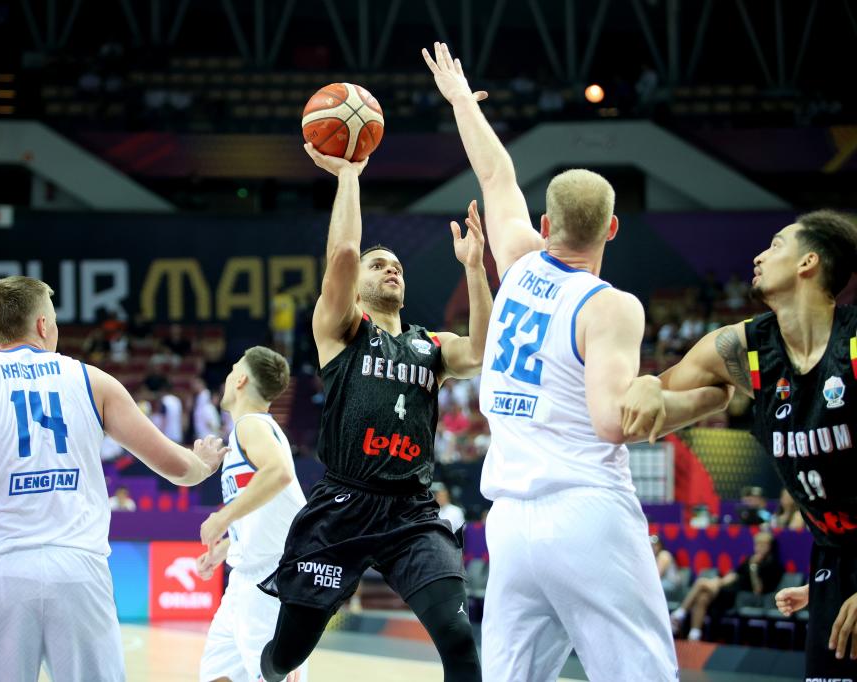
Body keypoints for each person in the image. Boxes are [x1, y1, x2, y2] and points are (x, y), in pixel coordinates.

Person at [422, 42, 732, 681]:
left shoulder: (515, 261)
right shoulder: (609, 305)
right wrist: (706, 399)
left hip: (510, 523)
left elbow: (496, 175)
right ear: (612, 229)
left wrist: (460, 102)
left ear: (545, 223)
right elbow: (613, 423)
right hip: (586, 511)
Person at [0, 275, 229, 682]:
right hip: (79, 568)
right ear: (43, 325)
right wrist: (203, 463)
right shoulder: (92, 379)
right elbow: (177, 467)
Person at [258, 141, 492, 682]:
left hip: (412, 511)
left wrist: (475, 268)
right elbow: (343, 254)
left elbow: (481, 350)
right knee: (288, 654)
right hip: (343, 506)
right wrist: (349, 175)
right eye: (378, 264)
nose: (390, 269)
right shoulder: (342, 330)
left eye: (397, 267)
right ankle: (264, 668)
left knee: (459, 639)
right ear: (358, 286)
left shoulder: (431, 345)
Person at [629, 209, 857, 673]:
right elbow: (661, 392)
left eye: (776, 245)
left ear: (808, 262)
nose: (758, 256)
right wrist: (648, 385)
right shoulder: (746, 348)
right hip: (832, 563)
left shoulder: (851, 344)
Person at [196, 347, 309, 682]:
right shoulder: (244, 434)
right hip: (244, 581)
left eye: (233, 369)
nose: (228, 376)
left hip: (272, 581)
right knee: (216, 676)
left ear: (241, 379)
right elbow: (266, 512)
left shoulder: (251, 425)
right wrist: (225, 547)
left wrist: (222, 518)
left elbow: (279, 473)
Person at [671, 531, 783, 641]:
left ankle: (680, 613)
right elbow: (734, 575)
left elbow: (757, 589)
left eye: (763, 545)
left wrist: (754, 568)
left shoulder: (773, 565)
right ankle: (694, 635)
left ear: (769, 546)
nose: (759, 548)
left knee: (701, 582)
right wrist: (719, 582)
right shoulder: (749, 560)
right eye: (757, 544)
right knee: (702, 598)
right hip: (728, 589)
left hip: (738, 596)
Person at [651, 535, 681, 600]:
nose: (653, 548)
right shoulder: (653, 557)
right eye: (651, 545)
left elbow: (657, 575)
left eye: (655, 545)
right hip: (662, 582)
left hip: (671, 584)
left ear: (660, 545)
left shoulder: (664, 554)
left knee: (651, 588)